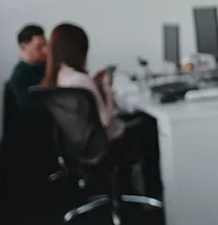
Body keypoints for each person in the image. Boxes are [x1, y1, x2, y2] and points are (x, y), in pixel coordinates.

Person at [41, 23, 160, 197]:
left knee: (132, 117)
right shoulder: (81, 80)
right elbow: (105, 120)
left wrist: (94, 84)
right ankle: (152, 192)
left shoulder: (58, 76)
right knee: (149, 123)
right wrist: (106, 87)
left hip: (77, 146)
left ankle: (129, 187)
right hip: (104, 146)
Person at [7, 24, 48, 109]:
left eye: (45, 45)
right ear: (23, 47)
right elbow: (26, 107)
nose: (45, 50)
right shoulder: (19, 76)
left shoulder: (49, 66)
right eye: (39, 47)